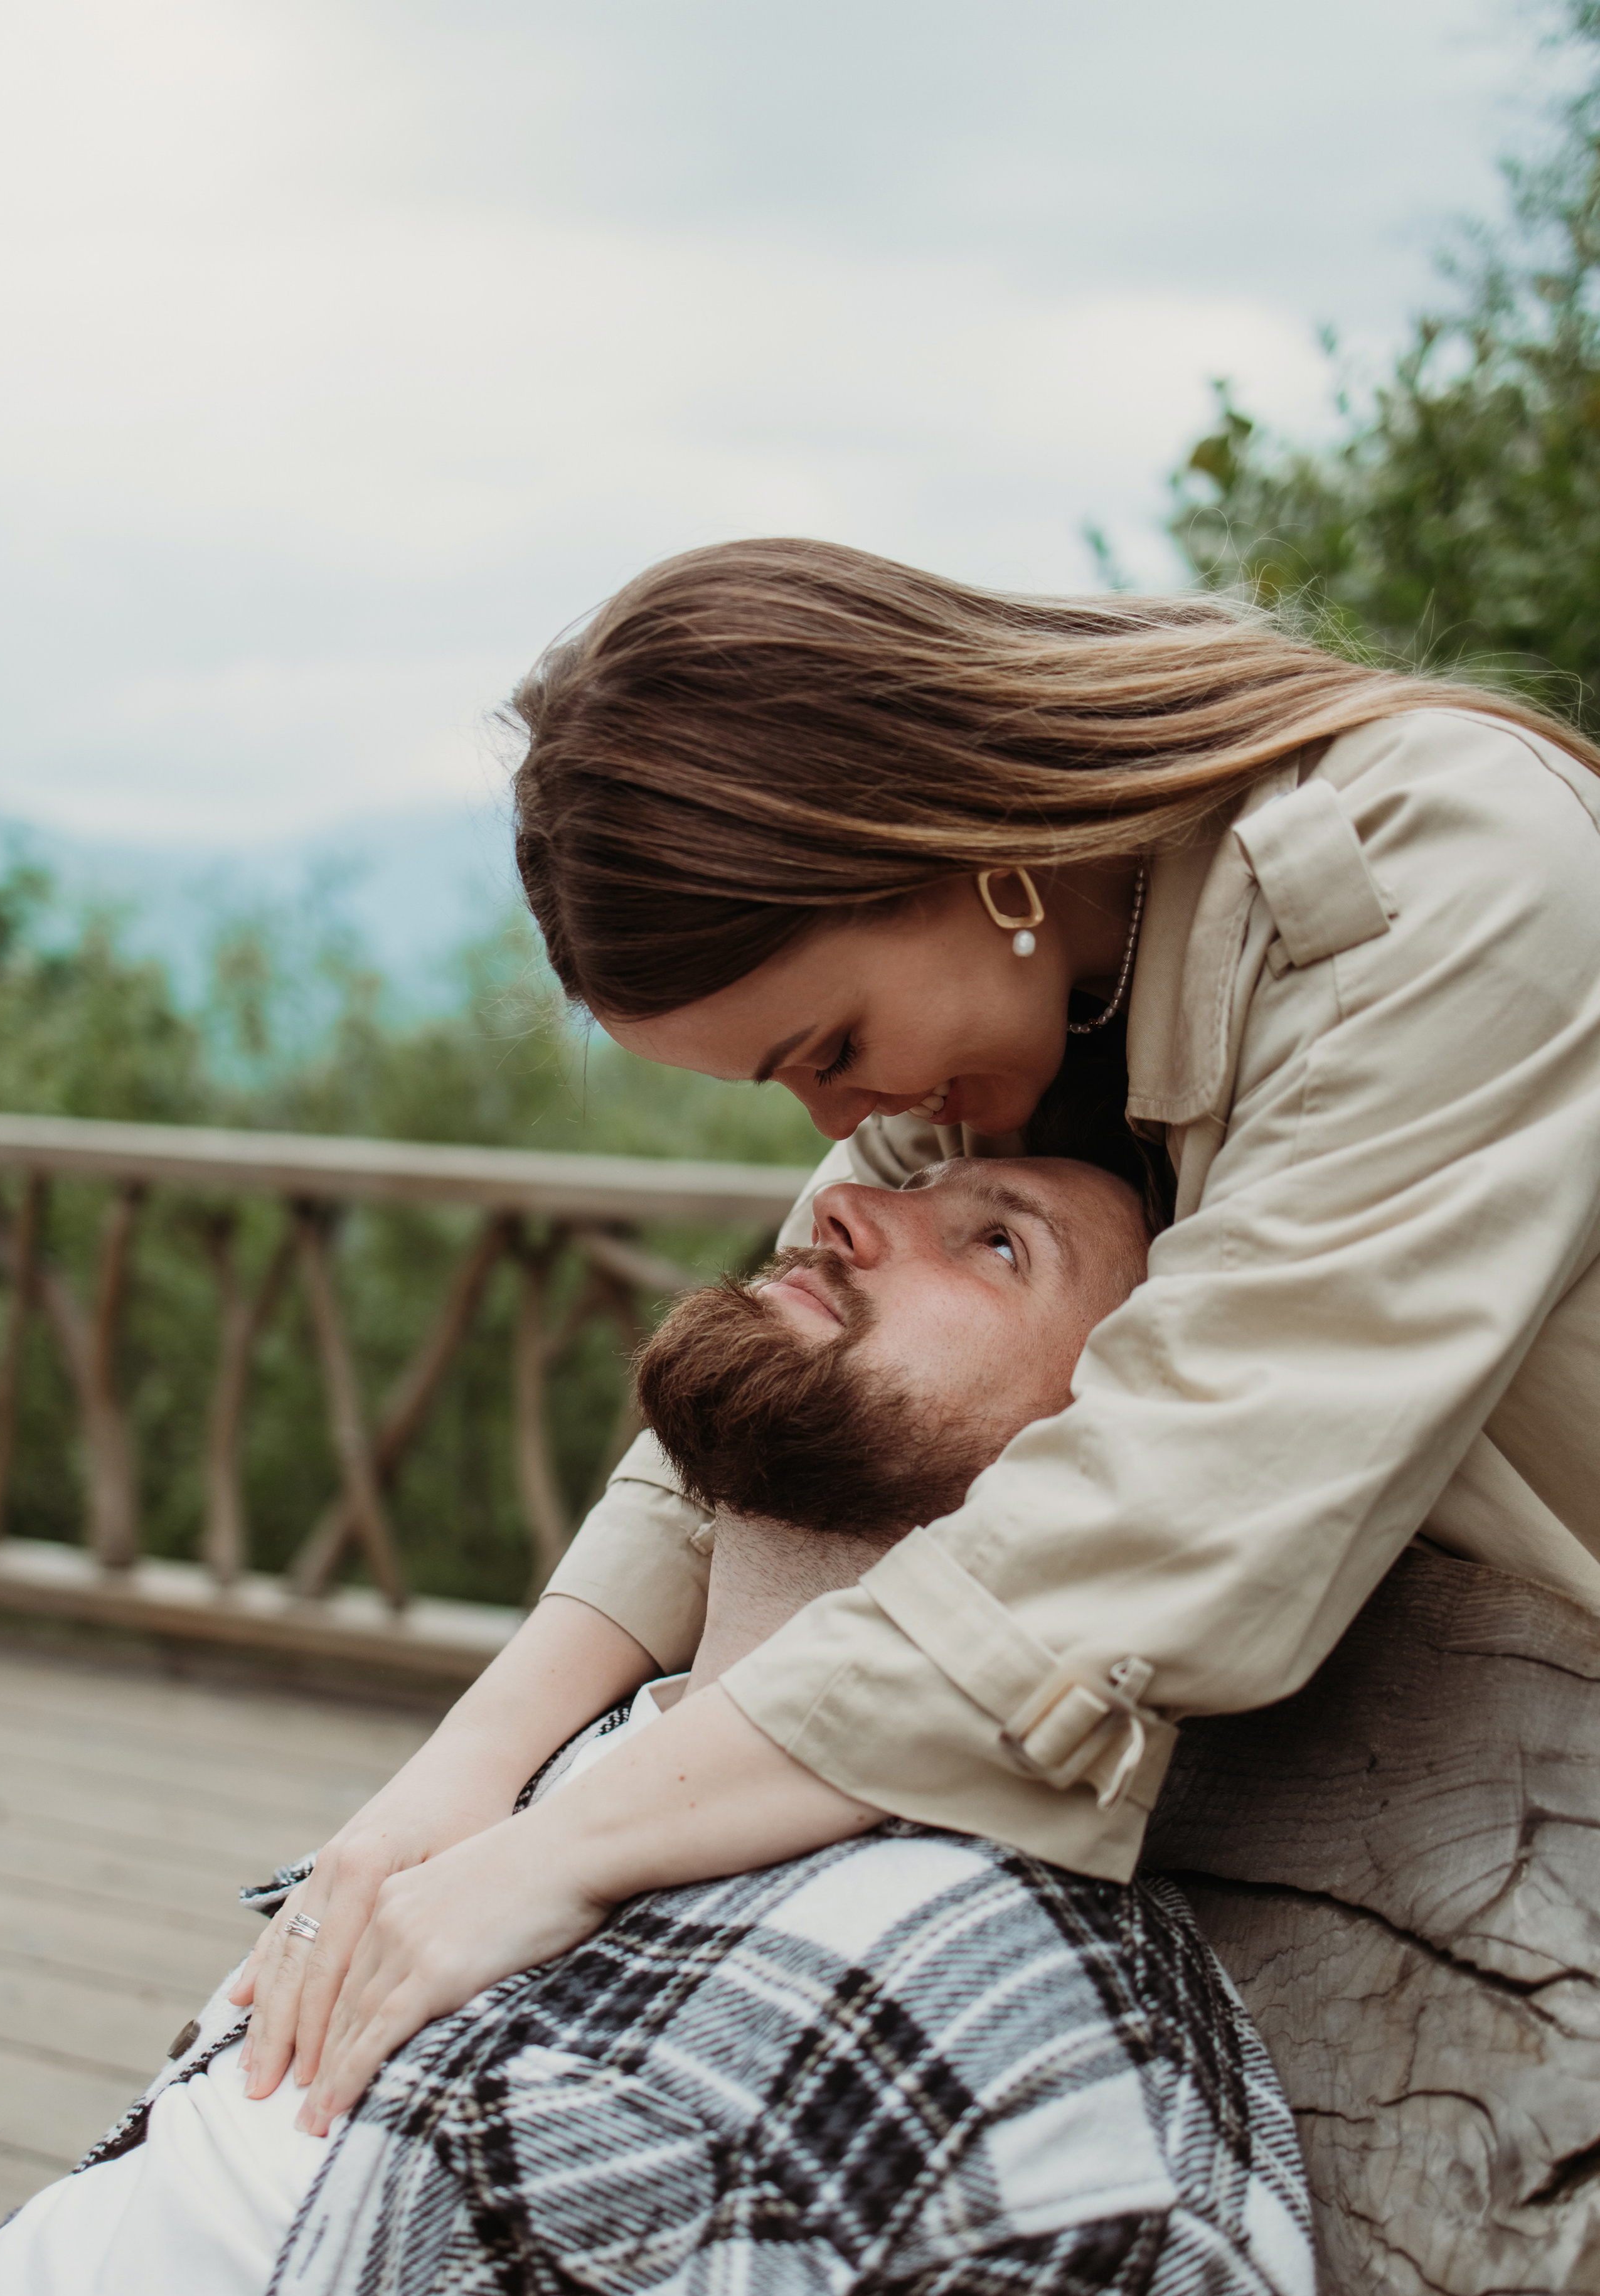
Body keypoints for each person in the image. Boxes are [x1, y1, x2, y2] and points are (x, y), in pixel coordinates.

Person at [232, 535, 1600, 2137]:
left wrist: (565, 1849)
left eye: (833, 1046)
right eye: (785, 1086)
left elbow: (1169, 1513)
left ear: (961, 849)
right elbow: (732, 1423)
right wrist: (452, 1789)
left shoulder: (1435, 862)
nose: (834, 1126)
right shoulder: (1025, 1012)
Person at [0, 1159, 1317, 2296]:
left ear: (1109, 1468)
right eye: (905, 1185)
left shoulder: (1052, 2078)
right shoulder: (557, 1764)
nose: (846, 1204)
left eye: (995, 1242)